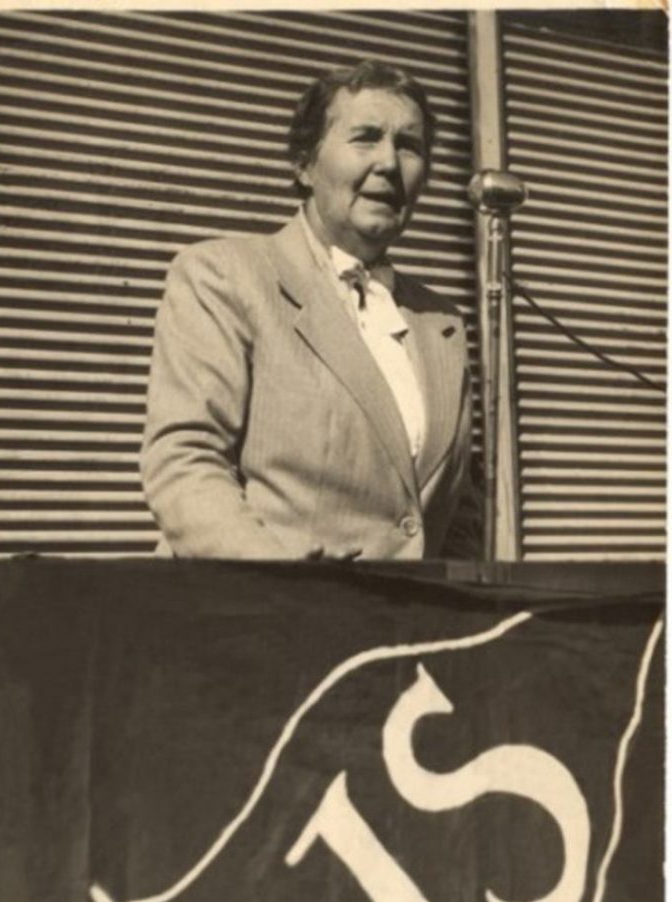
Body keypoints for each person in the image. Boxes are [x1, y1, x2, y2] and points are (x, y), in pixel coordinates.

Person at [141, 60, 480, 560]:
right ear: (305, 164)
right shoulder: (225, 277)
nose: (389, 162)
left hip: (410, 610)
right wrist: (285, 581)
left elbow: (460, 516)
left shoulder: (440, 324)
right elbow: (185, 465)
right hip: (263, 600)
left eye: (409, 145)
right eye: (366, 137)